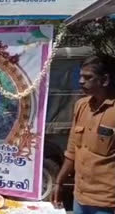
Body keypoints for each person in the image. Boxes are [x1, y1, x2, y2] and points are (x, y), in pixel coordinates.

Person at [51, 56, 115, 214]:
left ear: (105, 80)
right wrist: (59, 182)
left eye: (87, 77)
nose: (80, 81)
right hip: (79, 198)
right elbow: (72, 150)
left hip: (107, 202)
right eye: (80, 76)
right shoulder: (81, 106)